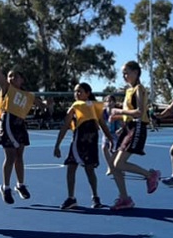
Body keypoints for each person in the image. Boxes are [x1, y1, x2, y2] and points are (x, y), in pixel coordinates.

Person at [0, 35, 47, 204]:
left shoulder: (28, 95)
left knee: (19, 156)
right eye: (9, 76)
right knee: (10, 156)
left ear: (21, 79)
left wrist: (46, 105)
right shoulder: (7, 89)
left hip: (19, 125)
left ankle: (21, 184)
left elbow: (42, 105)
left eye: (14, 76)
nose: (10, 78)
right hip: (7, 123)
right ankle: (5, 187)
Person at [109, 61, 161, 210]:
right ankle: (124, 198)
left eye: (127, 72)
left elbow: (139, 112)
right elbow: (129, 114)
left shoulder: (139, 89)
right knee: (113, 165)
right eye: (123, 73)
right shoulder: (128, 91)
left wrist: (119, 112)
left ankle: (150, 175)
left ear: (136, 72)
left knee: (119, 163)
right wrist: (119, 119)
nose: (125, 76)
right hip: (128, 128)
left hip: (137, 127)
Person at [53, 82, 114, 209]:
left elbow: (102, 124)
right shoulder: (85, 106)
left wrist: (110, 138)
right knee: (75, 167)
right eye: (75, 91)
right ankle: (77, 198)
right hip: (86, 139)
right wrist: (57, 144)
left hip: (83, 140)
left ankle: (89, 197)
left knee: (84, 168)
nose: (77, 94)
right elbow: (66, 125)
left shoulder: (80, 106)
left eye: (80, 91)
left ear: (88, 93)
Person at [101, 94, 122, 175]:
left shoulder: (116, 112)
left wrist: (120, 129)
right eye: (107, 101)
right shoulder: (102, 112)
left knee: (115, 151)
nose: (109, 103)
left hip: (115, 134)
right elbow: (100, 123)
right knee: (104, 148)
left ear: (114, 102)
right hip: (106, 133)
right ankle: (110, 167)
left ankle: (118, 166)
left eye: (111, 101)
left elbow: (123, 123)